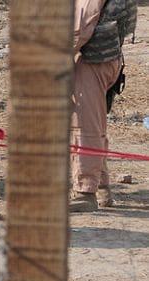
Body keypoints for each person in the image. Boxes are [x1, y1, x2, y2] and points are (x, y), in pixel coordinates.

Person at [69, 0, 137, 212]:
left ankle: (86, 192)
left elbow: (80, 29)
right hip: (103, 58)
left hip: (92, 62)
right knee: (94, 125)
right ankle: (102, 187)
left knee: (85, 126)